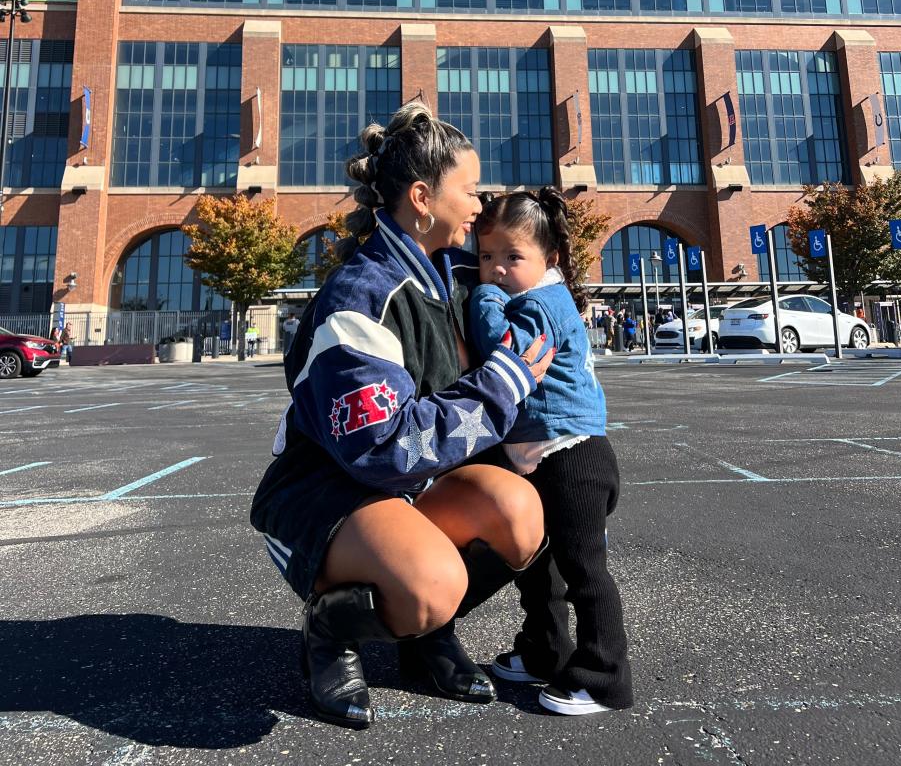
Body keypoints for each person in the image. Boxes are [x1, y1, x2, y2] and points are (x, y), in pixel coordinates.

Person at [250, 102, 555, 729]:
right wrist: (503, 385)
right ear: (422, 196)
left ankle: (426, 638)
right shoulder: (359, 298)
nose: (480, 204)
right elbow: (384, 450)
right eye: (469, 190)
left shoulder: (452, 272)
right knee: (431, 582)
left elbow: (538, 273)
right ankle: (330, 630)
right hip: (326, 491)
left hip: (408, 488)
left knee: (520, 515)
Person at [470, 188, 633, 716]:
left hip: (574, 455)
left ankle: (605, 676)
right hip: (542, 453)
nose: (496, 270)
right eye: (486, 257)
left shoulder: (541, 305)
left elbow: (503, 351)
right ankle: (545, 649)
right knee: (538, 569)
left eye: (513, 257)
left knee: (583, 570)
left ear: (550, 259)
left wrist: (484, 300)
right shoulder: (534, 298)